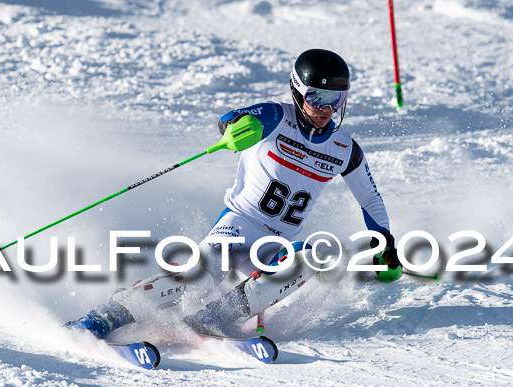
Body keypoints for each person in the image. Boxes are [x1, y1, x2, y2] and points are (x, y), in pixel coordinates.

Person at [66, 49, 402, 339]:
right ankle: (107, 316)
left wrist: (385, 244)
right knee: (197, 279)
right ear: (299, 93)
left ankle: (213, 319)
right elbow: (230, 120)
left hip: (276, 245)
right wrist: (237, 130)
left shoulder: (345, 149)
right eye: (317, 98)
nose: (326, 109)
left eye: (336, 100)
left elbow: (370, 199)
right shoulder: (276, 116)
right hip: (238, 226)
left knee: (311, 257)